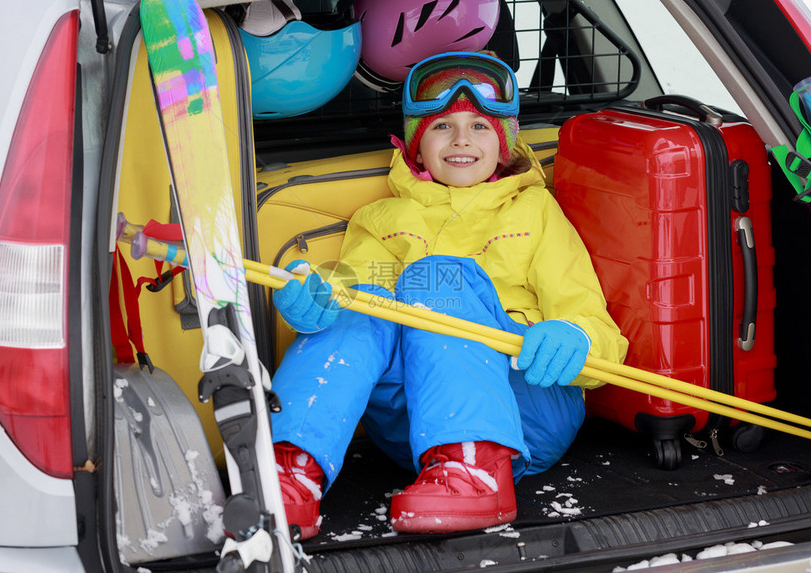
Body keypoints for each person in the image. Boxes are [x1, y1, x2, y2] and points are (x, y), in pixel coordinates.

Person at [268, 51, 629, 539]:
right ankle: (291, 471)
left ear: (505, 144)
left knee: (437, 278)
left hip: (525, 406)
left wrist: (576, 337)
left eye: (480, 126)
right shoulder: (380, 220)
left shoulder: (535, 212)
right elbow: (347, 290)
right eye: (442, 127)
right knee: (362, 305)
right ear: (416, 144)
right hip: (414, 429)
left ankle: (478, 471)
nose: (461, 140)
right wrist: (317, 303)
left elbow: (593, 321)